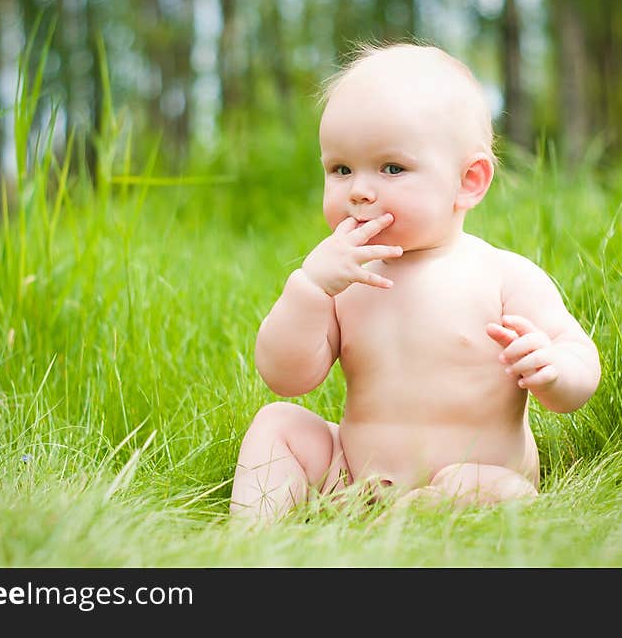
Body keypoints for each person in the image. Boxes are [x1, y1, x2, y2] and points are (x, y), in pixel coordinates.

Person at [229, 43, 601, 522]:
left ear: (468, 182)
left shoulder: (502, 275)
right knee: (276, 423)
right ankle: (251, 542)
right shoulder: (342, 284)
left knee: (500, 490)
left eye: (391, 168)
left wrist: (555, 370)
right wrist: (308, 289)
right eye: (340, 169)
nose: (359, 190)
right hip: (357, 477)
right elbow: (285, 378)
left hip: (473, 474)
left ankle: (421, 512)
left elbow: (578, 359)